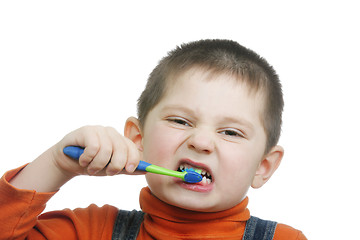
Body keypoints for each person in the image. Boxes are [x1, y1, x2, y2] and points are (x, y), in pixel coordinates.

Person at [0, 39, 307, 239]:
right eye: (179, 120)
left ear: (263, 166)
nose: (201, 141)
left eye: (230, 132)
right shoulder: (92, 230)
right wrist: (57, 165)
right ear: (138, 139)